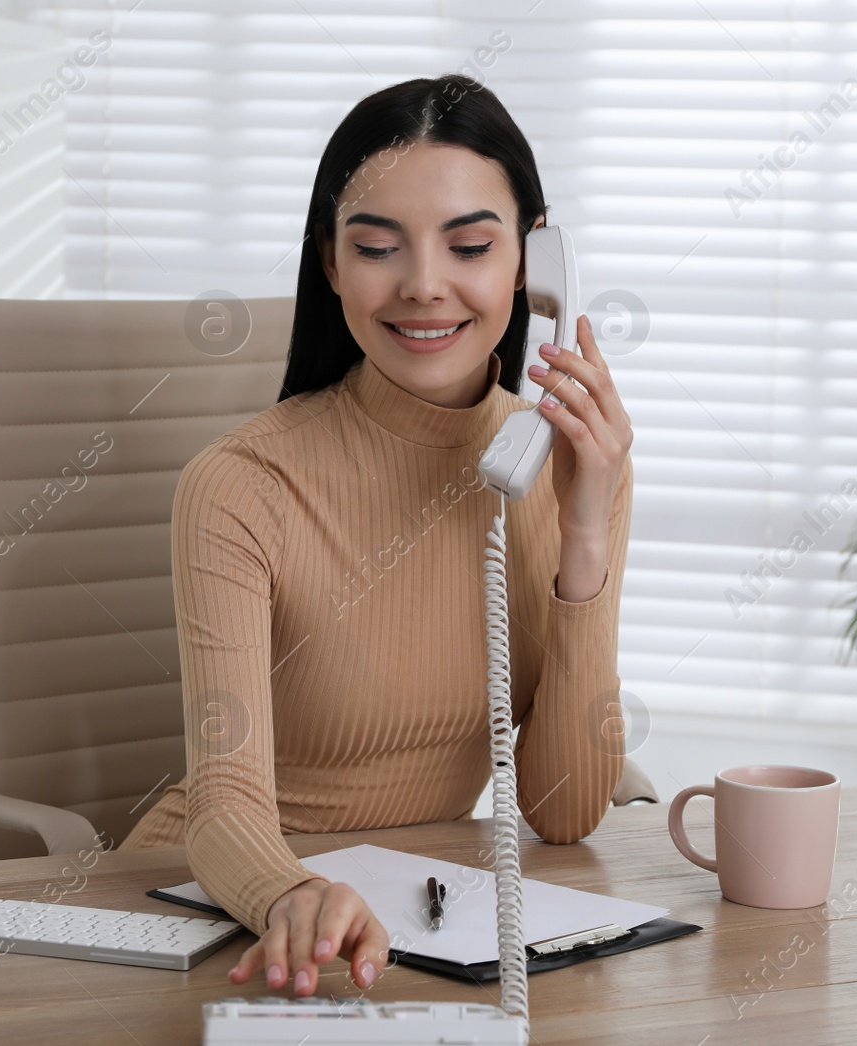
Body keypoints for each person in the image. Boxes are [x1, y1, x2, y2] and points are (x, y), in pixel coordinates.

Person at [122, 72, 634, 999]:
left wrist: (585, 532)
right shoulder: (242, 486)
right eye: (377, 248)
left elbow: (561, 814)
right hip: (226, 912)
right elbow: (222, 803)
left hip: (416, 921)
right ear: (329, 263)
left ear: (533, 261)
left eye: (471, 245)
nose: (424, 287)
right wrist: (295, 892)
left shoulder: (571, 466)